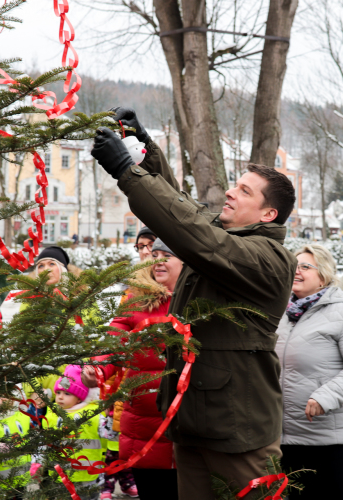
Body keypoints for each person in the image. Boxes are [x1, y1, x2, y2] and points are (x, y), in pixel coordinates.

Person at [88, 107, 297, 499]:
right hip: (193, 422)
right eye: (236, 185)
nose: (231, 192)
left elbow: (195, 234)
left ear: (269, 214)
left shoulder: (270, 257)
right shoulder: (222, 235)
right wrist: (145, 152)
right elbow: (185, 210)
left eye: (245, 191)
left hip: (239, 431)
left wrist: (128, 174)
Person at [275, 244, 343, 500]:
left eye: (306, 267)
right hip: (286, 438)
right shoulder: (280, 313)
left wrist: (326, 397)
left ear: (324, 275)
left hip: (333, 440)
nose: (296, 272)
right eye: (293, 266)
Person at [101, 238, 181, 500]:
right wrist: (99, 369)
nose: (157, 261)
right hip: (143, 423)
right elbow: (115, 341)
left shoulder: (199, 303)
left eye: (166, 255)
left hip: (186, 424)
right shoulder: (138, 297)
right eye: (154, 255)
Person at [40, 365, 103, 500]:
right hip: (59, 475)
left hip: (86, 475)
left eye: (67, 393)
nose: (61, 397)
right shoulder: (52, 412)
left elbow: (107, 433)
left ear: (80, 397)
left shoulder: (93, 413)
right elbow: (45, 439)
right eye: (58, 393)